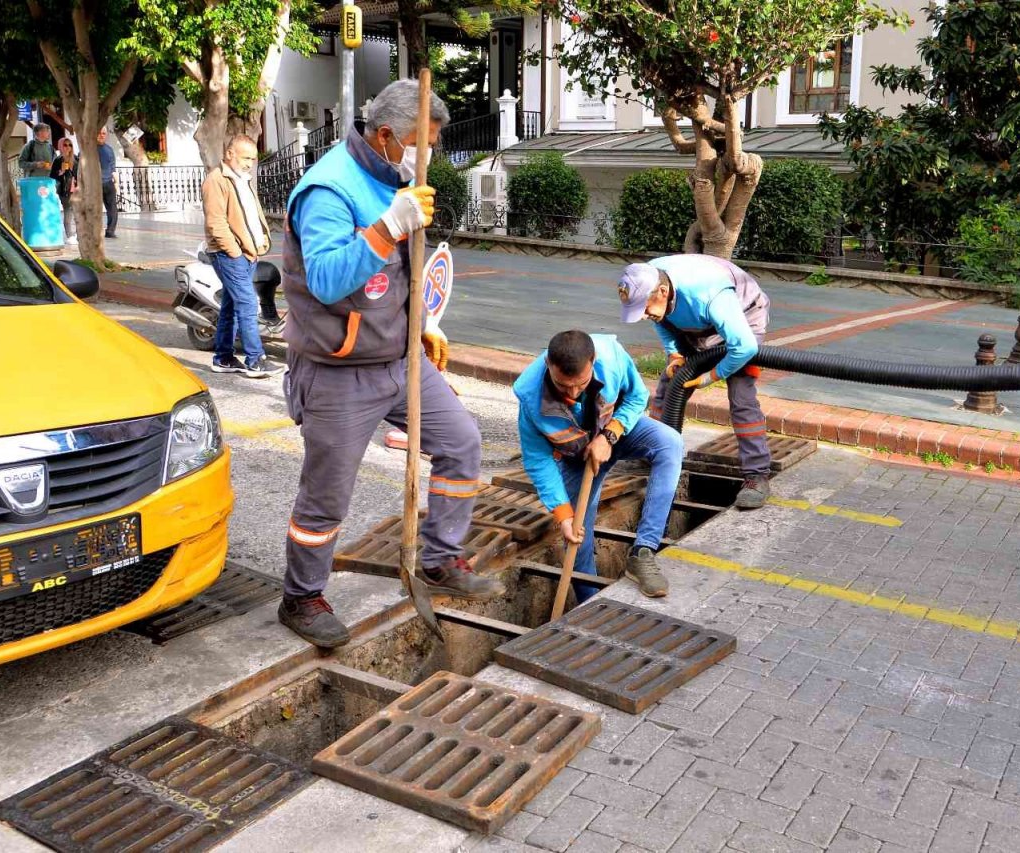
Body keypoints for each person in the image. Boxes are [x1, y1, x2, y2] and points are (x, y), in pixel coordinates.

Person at [278, 78, 502, 648]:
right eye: (422, 145)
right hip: (338, 370)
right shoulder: (328, 189)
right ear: (386, 136)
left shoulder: (397, 181)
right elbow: (327, 281)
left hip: (400, 359)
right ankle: (301, 597)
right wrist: (385, 227)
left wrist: (422, 322)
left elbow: (399, 274)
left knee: (461, 443)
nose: (427, 158)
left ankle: (440, 558)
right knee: (327, 494)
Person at [515, 330, 683, 600]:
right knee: (576, 538)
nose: (573, 393)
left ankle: (643, 550)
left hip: (618, 432)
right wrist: (563, 514)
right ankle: (589, 604)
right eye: (563, 386)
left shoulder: (612, 358)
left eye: (581, 384)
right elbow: (538, 460)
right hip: (578, 458)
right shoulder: (530, 397)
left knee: (669, 442)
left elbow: (638, 396)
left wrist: (609, 435)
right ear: (548, 364)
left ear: (593, 361)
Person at [618, 254, 773, 508]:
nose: (643, 316)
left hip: (743, 318)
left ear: (663, 292)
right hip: (695, 320)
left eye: (644, 308)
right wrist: (674, 354)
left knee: (741, 396)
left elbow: (744, 347)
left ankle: (756, 476)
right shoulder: (649, 276)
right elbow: (661, 320)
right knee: (669, 387)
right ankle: (650, 453)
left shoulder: (709, 294)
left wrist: (711, 376)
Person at [202, 134, 274, 379]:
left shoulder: (243, 179)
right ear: (230, 154)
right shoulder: (216, 180)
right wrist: (234, 251)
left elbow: (251, 214)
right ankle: (255, 360)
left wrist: (258, 244)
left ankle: (223, 358)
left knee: (231, 306)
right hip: (229, 254)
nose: (249, 164)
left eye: (253, 159)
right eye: (245, 158)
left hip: (248, 253)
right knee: (248, 303)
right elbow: (216, 222)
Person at [50, 137, 80, 244]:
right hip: (64, 189)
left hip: (76, 188)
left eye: (70, 145)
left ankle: (79, 235)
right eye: (65, 145)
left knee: (77, 212)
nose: (68, 147)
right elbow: (52, 176)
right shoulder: (58, 160)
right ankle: (69, 235)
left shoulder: (76, 159)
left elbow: (80, 174)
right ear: (61, 147)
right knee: (68, 211)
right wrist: (61, 172)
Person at [95, 126, 118, 239]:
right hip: (94, 183)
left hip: (108, 182)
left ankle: (110, 231)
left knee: (112, 208)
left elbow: (113, 168)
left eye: (103, 133)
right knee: (95, 208)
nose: (101, 135)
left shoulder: (109, 149)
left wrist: (116, 183)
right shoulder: (90, 149)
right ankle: (96, 230)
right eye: (99, 133)